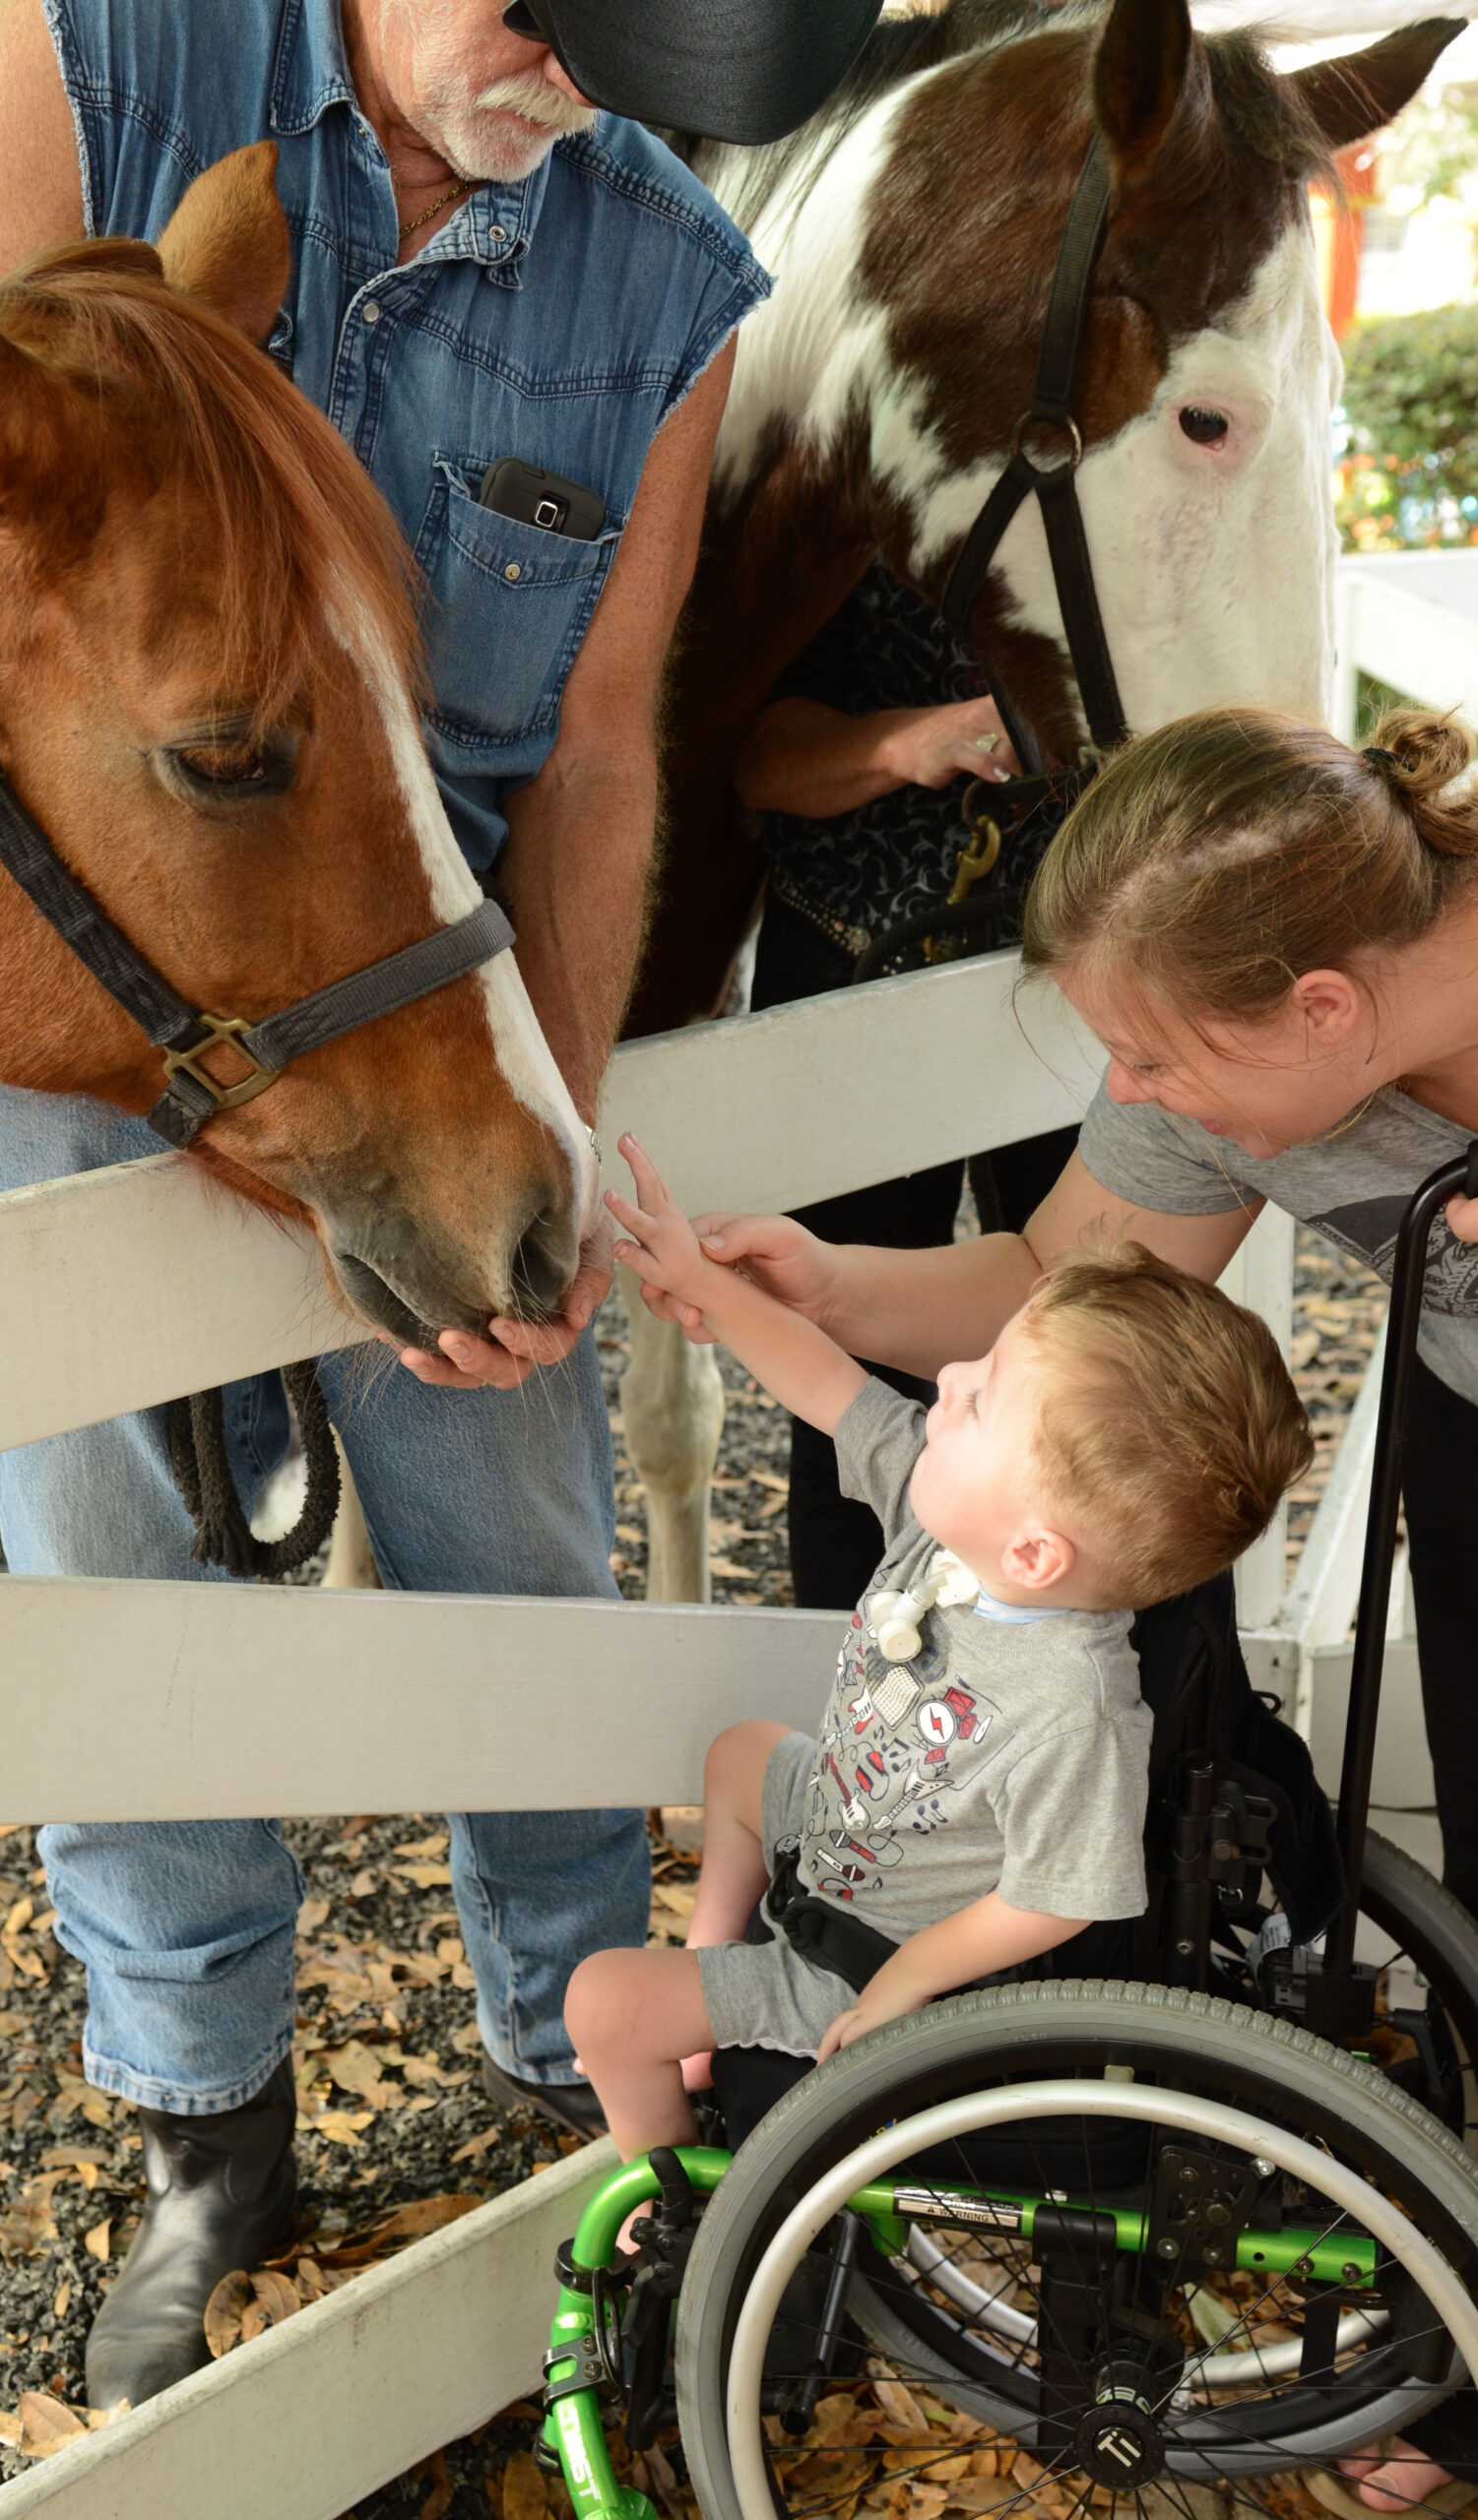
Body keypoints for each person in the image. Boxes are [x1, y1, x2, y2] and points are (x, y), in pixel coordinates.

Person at [0, 0, 798, 2413]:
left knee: (521, 1522)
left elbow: (599, 745)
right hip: (127, 969)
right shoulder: (92, 63)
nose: (574, 90)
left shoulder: (673, 276)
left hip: (440, 966)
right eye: (545, 20)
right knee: (116, 1554)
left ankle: (567, 2052)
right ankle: (207, 2114)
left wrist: (554, 1108)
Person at [638, 703, 1478, 2504]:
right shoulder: (1237, 1031)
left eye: (1153, 1063)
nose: (1135, 1096)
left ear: (1324, 1010)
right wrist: (832, 1283)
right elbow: (1049, 1275)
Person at [566, 1137, 1310, 2162]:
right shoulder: (955, 1518)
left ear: (1036, 1549)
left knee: (600, 2002)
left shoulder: (1072, 1704)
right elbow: (822, 1379)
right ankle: (710, 1975)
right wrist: (706, 1288)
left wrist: (908, 1976)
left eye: (980, 1396)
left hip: (863, 1949)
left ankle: (669, 2190)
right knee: (741, 1751)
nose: (947, 1377)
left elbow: (1058, 1894)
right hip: (842, 1827)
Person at [734, 562, 1076, 1609]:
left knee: (1096, 1354)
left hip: (1076, 978)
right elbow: (746, 755)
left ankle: (1105, 1714)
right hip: (851, 967)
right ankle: (865, 1705)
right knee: (847, 1366)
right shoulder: (845, 488)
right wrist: (902, 741)